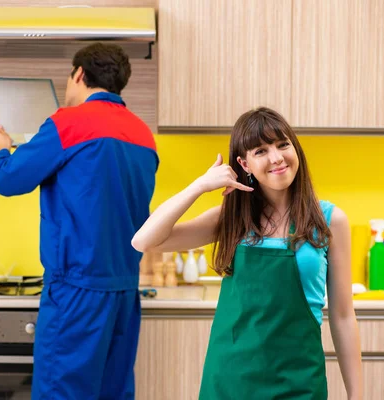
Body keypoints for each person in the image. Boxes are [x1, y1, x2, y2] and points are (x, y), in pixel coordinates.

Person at [132, 107, 362, 399]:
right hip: (231, 380)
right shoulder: (231, 219)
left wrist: (356, 394)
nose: (276, 158)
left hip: (300, 380)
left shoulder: (329, 220)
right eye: (261, 151)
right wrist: (199, 186)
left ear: (296, 149)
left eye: (283, 145)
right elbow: (144, 241)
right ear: (244, 164)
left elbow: (343, 316)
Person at [0, 42, 158, 399]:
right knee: (112, 393)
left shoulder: (68, 123)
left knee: (61, 393)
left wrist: (2, 148)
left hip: (76, 291)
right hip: (125, 291)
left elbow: (8, 180)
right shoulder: (144, 135)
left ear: (79, 74)